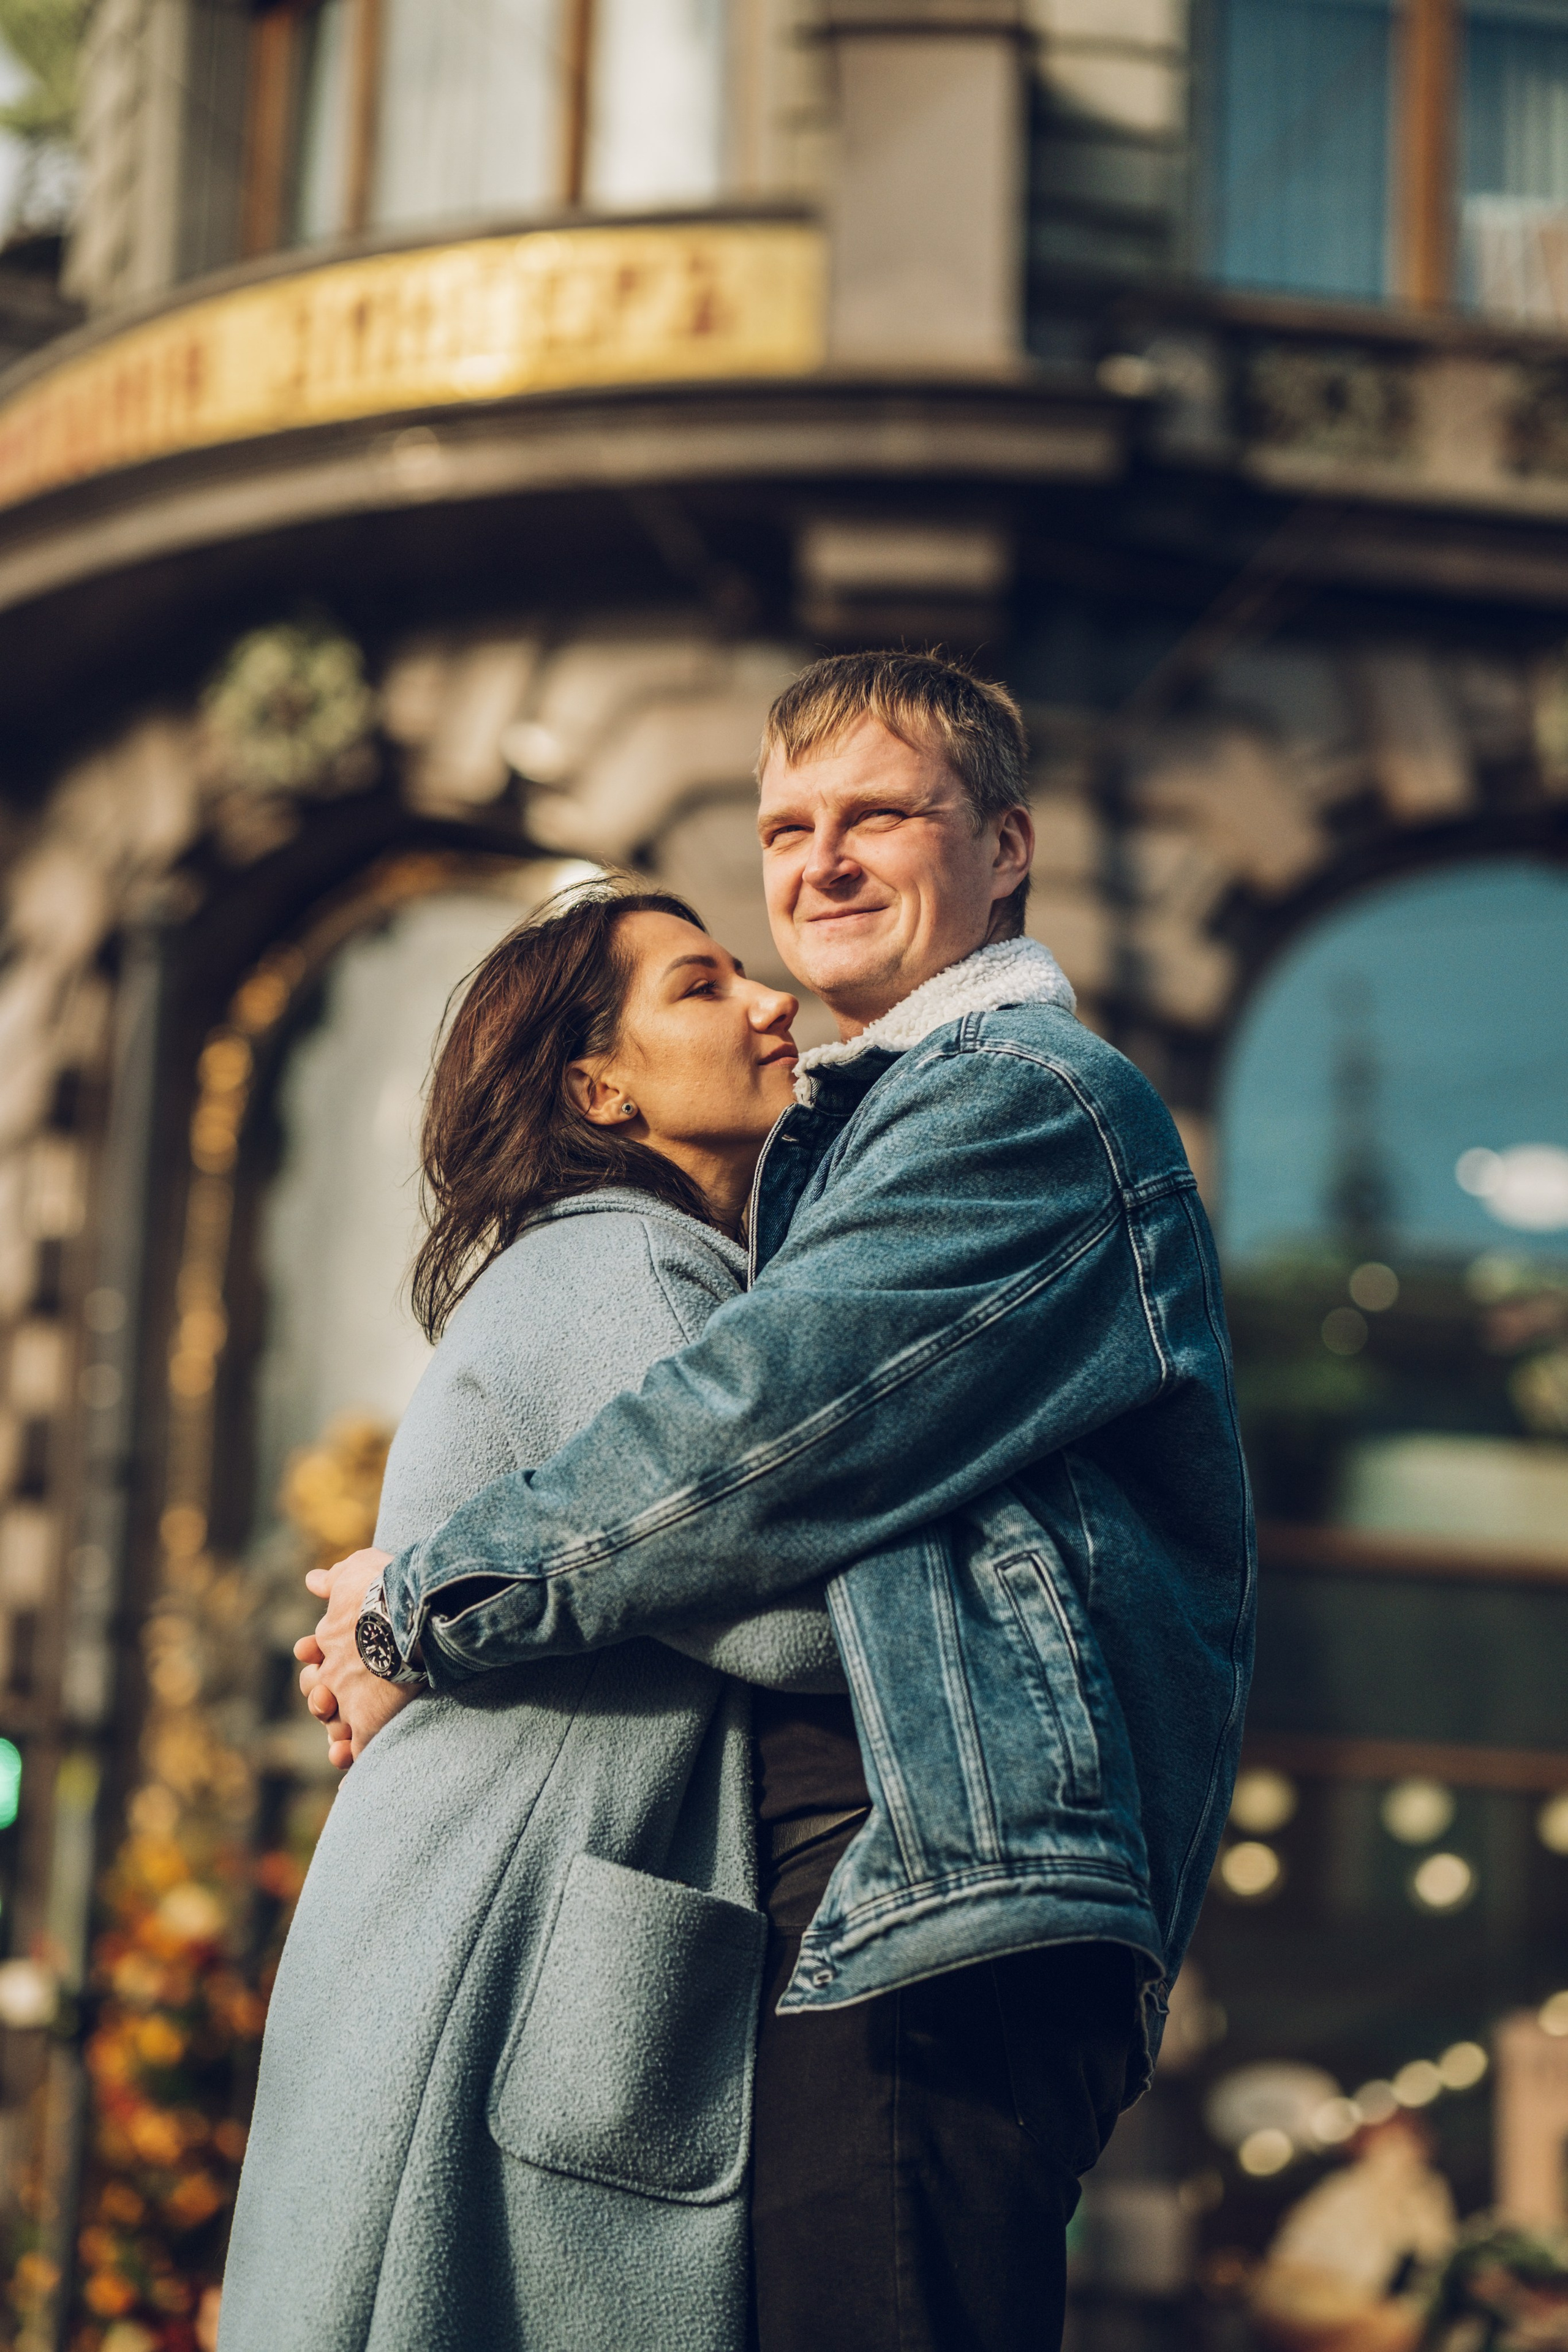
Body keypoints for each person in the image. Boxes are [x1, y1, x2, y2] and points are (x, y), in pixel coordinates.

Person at [309, 649, 1257, 2352]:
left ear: (1007, 846)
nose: (816, 865)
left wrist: (420, 1604)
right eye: (786, 826)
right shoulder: (847, 1143)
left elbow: (739, 1438)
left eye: (879, 816)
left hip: (934, 1918)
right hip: (891, 1912)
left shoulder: (1025, 1104)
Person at [221, 884, 848, 2352]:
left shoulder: (611, 1262)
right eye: (702, 987)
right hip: (504, 1947)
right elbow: (789, 1623)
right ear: (598, 1086)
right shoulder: (620, 1264)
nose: (772, 1004)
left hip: (506, 1925)